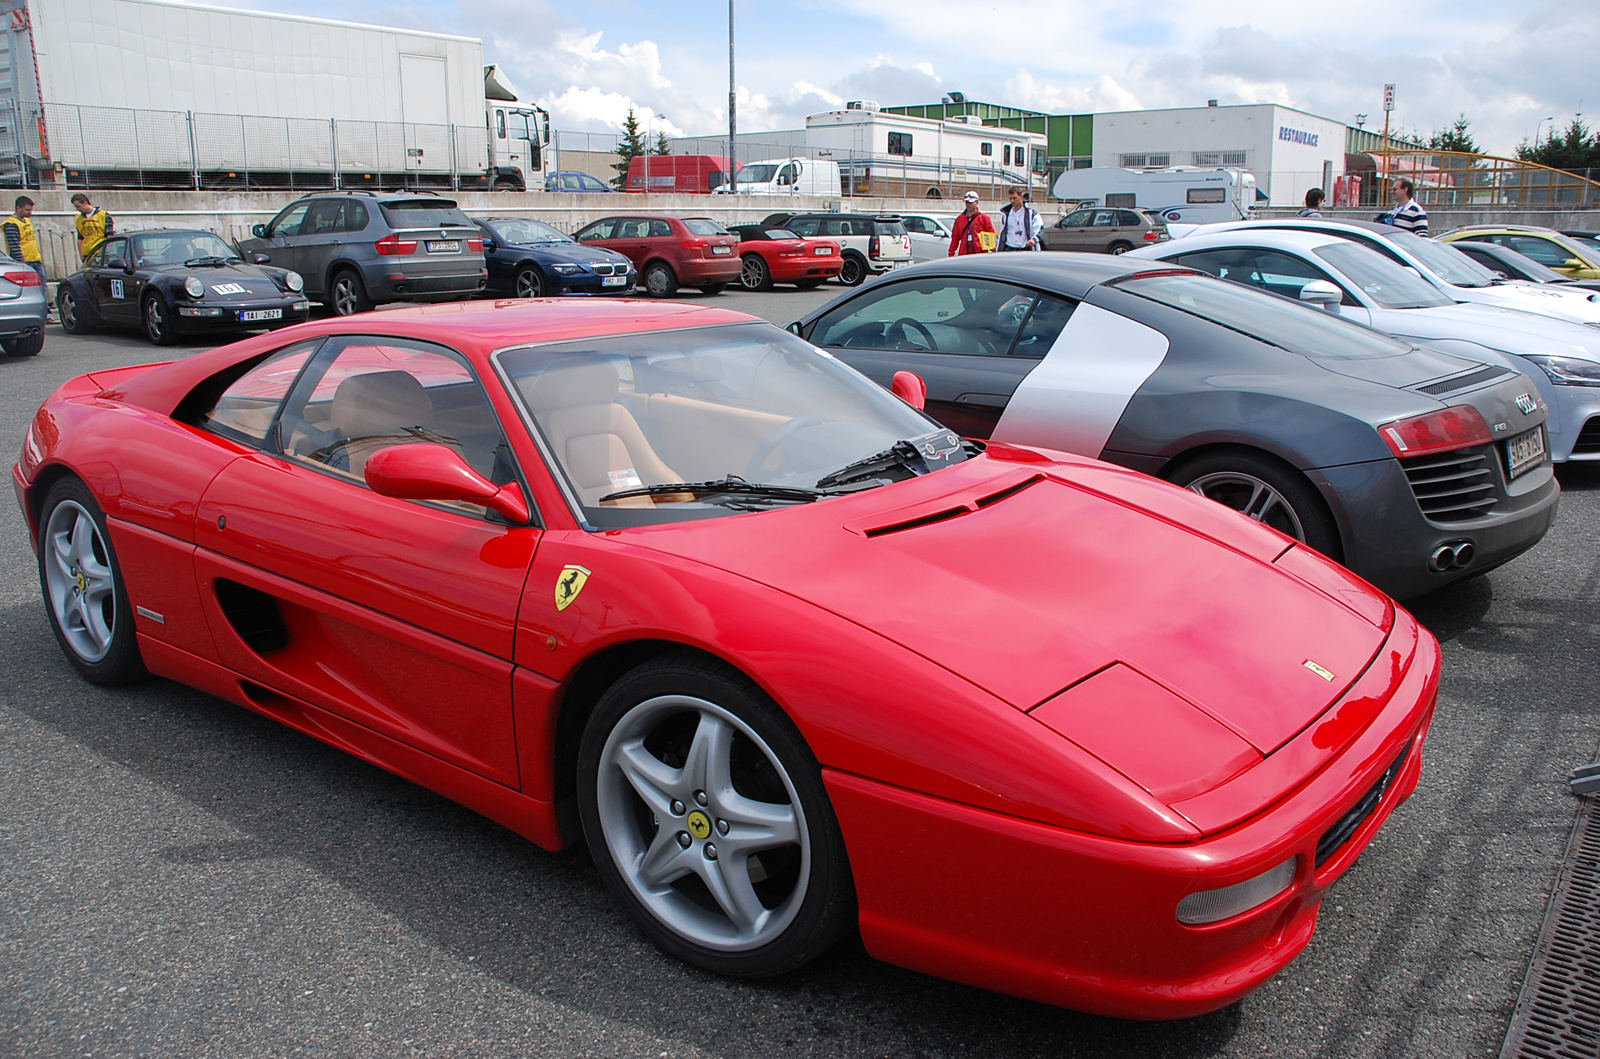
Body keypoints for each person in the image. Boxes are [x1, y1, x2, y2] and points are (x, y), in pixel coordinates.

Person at [2, 195, 44, 283]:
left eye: (31, 210)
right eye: (27, 210)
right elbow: (14, 246)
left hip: (36, 260)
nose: (30, 213)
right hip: (25, 262)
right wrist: (21, 263)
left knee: (42, 287)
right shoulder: (11, 224)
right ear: (18, 208)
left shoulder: (27, 220)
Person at [948, 191, 996, 256]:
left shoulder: (984, 218)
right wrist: (951, 253)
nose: (968, 204)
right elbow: (955, 238)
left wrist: (993, 250)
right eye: (967, 202)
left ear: (977, 202)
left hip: (980, 254)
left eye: (971, 202)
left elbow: (991, 235)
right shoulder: (959, 219)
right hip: (964, 253)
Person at [997, 187, 1043, 251]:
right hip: (1009, 248)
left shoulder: (1031, 214)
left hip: (1025, 248)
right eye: (1010, 198)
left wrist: (1034, 239)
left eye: (1014, 198)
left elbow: (1040, 229)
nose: (1012, 201)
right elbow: (1002, 232)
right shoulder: (1006, 214)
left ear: (1021, 197)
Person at [72, 193, 113, 260]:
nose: (77, 209)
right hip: (87, 254)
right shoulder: (79, 219)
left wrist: (106, 252)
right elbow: (80, 238)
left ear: (85, 203)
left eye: (78, 206)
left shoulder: (103, 215)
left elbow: (109, 236)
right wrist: (81, 255)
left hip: (101, 253)